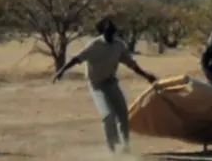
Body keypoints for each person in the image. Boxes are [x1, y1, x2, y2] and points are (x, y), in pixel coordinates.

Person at [54, 17, 158, 155]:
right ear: (103, 32)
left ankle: (125, 147)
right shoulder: (94, 45)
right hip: (96, 85)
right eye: (108, 32)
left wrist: (146, 76)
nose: (111, 35)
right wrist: (61, 71)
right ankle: (112, 149)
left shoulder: (118, 45)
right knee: (108, 116)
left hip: (111, 82)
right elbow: (77, 59)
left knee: (123, 114)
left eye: (113, 32)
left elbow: (131, 64)